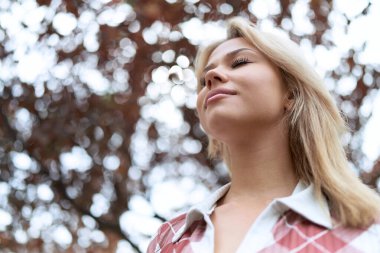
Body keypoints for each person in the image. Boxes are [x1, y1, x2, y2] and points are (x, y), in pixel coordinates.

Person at [147, 17, 380, 253]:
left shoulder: (368, 232)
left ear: (290, 93)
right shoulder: (167, 238)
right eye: (202, 80)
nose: (211, 77)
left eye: (239, 62)